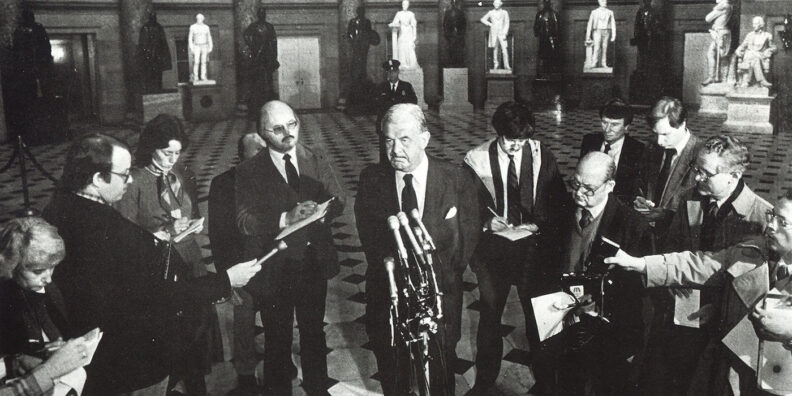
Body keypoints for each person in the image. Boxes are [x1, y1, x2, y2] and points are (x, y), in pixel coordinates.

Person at [42, 133, 261, 395]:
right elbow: (158, 296)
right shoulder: (109, 231)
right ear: (97, 179)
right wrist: (226, 281)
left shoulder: (60, 208)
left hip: (97, 348)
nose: (131, 179)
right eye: (124, 174)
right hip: (131, 361)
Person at [605, 191, 792, 395]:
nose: (771, 226)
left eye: (782, 221)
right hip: (737, 378)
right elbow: (698, 264)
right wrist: (639, 264)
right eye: (772, 216)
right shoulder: (751, 252)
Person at [355, 103, 476, 396]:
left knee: (440, 372)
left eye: (404, 139)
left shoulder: (456, 179)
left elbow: (467, 241)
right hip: (389, 295)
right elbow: (370, 240)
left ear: (425, 138)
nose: (394, 149)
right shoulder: (371, 179)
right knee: (392, 371)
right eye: (388, 140)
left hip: (440, 296)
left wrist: (438, 275)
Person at [642, 135, 772, 395]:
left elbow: (754, 290)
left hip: (725, 328)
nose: (698, 178)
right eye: (696, 169)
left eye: (706, 173)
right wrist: (672, 285)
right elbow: (672, 247)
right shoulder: (689, 199)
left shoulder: (760, 217)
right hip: (682, 315)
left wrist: (718, 307)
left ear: (733, 176)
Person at [235, 100, 346, 396]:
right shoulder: (249, 170)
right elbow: (244, 222)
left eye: (292, 124)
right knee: (277, 337)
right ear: (262, 132)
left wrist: (324, 209)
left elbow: (340, 199)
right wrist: (286, 217)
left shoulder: (315, 157)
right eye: (278, 128)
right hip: (276, 267)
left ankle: (318, 391)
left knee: (313, 333)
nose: (288, 133)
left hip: (313, 261)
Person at [462, 101, 568, 395]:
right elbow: (466, 205)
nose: (515, 147)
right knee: (490, 316)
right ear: (497, 133)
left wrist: (539, 225)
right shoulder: (477, 159)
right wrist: (486, 222)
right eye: (510, 140)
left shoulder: (541, 154)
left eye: (522, 141)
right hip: (494, 252)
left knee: (539, 316)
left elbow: (558, 201)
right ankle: (485, 382)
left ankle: (547, 382)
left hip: (533, 249)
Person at [115, 114, 214, 396]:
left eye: (177, 153)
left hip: (189, 260)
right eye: (166, 152)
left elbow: (190, 210)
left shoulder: (178, 174)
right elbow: (126, 235)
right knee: (171, 339)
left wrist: (189, 223)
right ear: (150, 148)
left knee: (196, 335)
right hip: (158, 268)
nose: (172, 159)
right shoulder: (133, 181)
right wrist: (162, 233)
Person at [536, 152, 649, 395]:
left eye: (588, 188)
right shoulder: (560, 210)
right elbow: (545, 264)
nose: (579, 193)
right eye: (575, 184)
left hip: (609, 328)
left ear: (610, 186)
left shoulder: (632, 225)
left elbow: (636, 289)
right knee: (566, 382)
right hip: (563, 320)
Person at [0, 217, 88, 396]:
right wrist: (50, 369)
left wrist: (42, 352)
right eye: (38, 271)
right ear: (12, 267)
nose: (48, 279)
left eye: (52, 267)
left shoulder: (49, 289)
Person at [208, 133, 267, 396]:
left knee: (278, 318)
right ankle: (245, 374)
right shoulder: (222, 185)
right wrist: (226, 279)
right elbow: (217, 235)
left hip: (273, 264)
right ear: (240, 158)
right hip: (240, 266)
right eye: (254, 157)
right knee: (243, 321)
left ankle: (279, 361)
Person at [633, 96, 700, 232]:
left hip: (679, 236)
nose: (659, 141)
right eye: (656, 134)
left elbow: (699, 210)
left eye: (665, 134)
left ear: (683, 124)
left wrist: (667, 215)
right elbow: (641, 183)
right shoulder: (651, 147)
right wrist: (639, 199)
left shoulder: (700, 154)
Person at [580, 98, 644, 202]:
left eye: (614, 124)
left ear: (626, 127)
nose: (607, 129)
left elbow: (635, 189)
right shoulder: (589, 141)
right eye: (605, 122)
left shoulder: (637, 150)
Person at [374, 59, 418, 162]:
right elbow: (376, 105)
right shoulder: (381, 87)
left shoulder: (406, 87)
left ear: (398, 72)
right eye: (389, 72)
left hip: (402, 124)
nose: (391, 74)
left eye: (393, 72)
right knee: (385, 151)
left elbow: (413, 102)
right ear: (387, 73)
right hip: (386, 125)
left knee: (401, 150)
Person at [244, 7, 279, 121]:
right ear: (258, 14)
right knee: (257, 83)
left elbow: (274, 41)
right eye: (260, 13)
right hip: (257, 56)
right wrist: (253, 46)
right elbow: (246, 35)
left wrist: (274, 56)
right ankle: (256, 110)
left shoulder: (269, 26)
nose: (262, 14)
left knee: (268, 82)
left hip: (267, 56)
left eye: (263, 13)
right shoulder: (254, 26)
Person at [735, 16, 776, 88]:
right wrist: (738, 51)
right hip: (749, 55)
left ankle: (747, 81)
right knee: (754, 58)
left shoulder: (767, 35)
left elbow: (774, 48)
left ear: (760, 25)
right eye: (753, 24)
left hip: (759, 56)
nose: (753, 26)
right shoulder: (749, 35)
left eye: (755, 24)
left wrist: (769, 50)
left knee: (755, 59)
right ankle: (762, 81)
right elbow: (742, 46)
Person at [137, 9, 171, 94]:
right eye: (152, 16)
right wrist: (146, 51)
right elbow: (143, 42)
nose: (153, 17)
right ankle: (149, 88)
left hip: (158, 52)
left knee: (158, 72)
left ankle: (158, 87)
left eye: (154, 15)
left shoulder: (159, 27)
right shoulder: (146, 27)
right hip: (148, 53)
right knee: (148, 71)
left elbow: (163, 40)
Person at [701, 0, 734, 86]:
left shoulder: (723, 5)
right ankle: (712, 77)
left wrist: (715, 8)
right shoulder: (727, 5)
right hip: (719, 32)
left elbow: (708, 18)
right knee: (712, 54)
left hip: (721, 33)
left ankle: (722, 79)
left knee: (722, 56)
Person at [585, 0, 616, 69]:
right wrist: (588, 35)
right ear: (599, 2)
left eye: (605, 1)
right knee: (596, 47)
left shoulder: (610, 12)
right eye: (603, 1)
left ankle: (603, 63)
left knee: (605, 47)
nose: (605, 2)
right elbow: (589, 24)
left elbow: (613, 23)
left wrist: (614, 34)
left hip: (606, 31)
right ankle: (594, 62)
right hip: (597, 31)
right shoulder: (594, 12)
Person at [480, 0, 511, 71]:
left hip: (502, 33)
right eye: (495, 3)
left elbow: (507, 23)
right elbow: (482, 19)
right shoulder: (491, 12)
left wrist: (505, 32)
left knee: (504, 49)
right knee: (495, 49)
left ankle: (507, 65)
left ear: (501, 4)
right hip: (494, 32)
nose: (496, 5)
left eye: (498, 3)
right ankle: (495, 64)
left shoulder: (504, 12)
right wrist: (490, 24)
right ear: (493, 4)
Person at [388, 0, 419, 70]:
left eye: (406, 4)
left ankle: (410, 64)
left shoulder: (411, 14)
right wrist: (394, 24)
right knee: (401, 47)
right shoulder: (399, 14)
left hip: (409, 33)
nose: (404, 5)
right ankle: (402, 64)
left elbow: (414, 26)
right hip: (402, 33)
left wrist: (414, 37)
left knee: (409, 48)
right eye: (403, 4)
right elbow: (395, 22)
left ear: (408, 5)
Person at [534, 0, 560, 76]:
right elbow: (536, 27)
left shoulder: (555, 14)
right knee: (543, 55)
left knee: (552, 54)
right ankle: (543, 71)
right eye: (545, 2)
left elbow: (558, 27)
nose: (546, 4)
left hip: (552, 38)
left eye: (548, 2)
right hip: (543, 38)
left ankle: (551, 71)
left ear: (550, 3)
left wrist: (556, 36)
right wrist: (538, 33)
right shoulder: (539, 14)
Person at [188, 13, 213, 82]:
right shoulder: (192, 27)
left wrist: (211, 46)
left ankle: (203, 76)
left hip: (204, 45)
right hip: (196, 46)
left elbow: (209, 37)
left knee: (204, 62)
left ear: (203, 19)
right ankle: (195, 77)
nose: (199, 20)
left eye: (201, 18)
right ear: (196, 19)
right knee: (196, 61)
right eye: (198, 18)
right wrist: (191, 47)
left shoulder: (206, 27)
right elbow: (190, 38)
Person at [443, 0, 466, 67]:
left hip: (458, 34)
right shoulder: (447, 13)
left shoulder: (460, 12)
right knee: (451, 48)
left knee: (459, 48)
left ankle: (458, 63)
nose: (454, 4)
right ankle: (451, 62)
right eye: (453, 3)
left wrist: (461, 33)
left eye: (455, 3)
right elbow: (445, 24)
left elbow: (464, 23)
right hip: (450, 34)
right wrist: (447, 33)